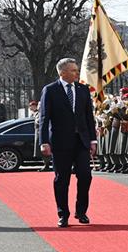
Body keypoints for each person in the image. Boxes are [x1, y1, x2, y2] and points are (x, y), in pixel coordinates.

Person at [37, 58, 97, 227]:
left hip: (81, 141)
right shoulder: (50, 90)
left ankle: (81, 211)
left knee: (85, 176)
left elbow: (88, 117)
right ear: (62, 72)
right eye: (73, 70)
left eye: (77, 70)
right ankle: (63, 214)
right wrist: (44, 141)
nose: (76, 73)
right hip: (60, 142)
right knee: (62, 179)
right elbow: (44, 118)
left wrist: (93, 140)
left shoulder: (83, 89)